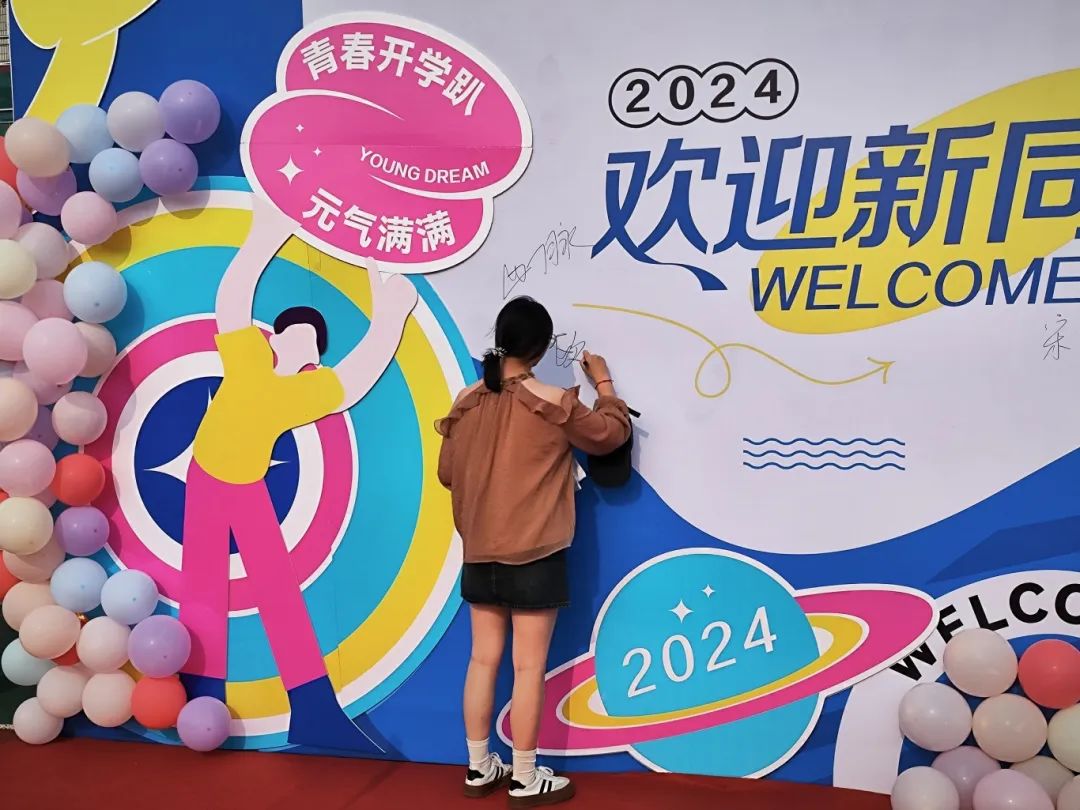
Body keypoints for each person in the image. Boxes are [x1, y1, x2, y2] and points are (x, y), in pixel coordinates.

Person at [179, 197, 418, 754]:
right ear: (275, 338)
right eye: (294, 334)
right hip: (209, 477)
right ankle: (200, 693)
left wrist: (390, 318)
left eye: (312, 344)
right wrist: (264, 238)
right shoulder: (248, 360)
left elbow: (354, 378)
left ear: (314, 359)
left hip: (243, 485)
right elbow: (233, 304)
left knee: (277, 591)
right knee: (204, 586)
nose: (302, 345)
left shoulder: (303, 392)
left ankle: (312, 710)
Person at [436, 297, 631, 805]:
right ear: (541, 349)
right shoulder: (552, 401)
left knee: (482, 660)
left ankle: (479, 767)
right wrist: (604, 383)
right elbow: (610, 436)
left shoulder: (466, 400)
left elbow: (446, 473)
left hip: (479, 552)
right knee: (527, 667)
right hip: (535, 553)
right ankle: (524, 776)